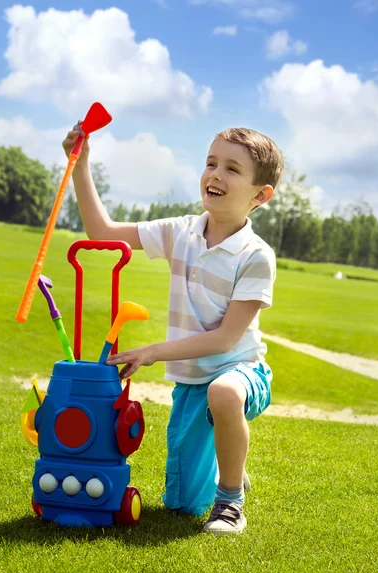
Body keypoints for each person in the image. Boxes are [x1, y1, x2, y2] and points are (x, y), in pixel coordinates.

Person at [62, 124, 284, 535]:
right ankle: (225, 461)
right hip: (192, 381)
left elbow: (225, 340)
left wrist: (151, 351)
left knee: (224, 393)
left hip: (242, 373)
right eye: (211, 163)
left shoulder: (256, 256)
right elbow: (102, 233)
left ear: (260, 195)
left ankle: (231, 501)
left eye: (232, 169)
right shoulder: (181, 231)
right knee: (182, 504)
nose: (215, 174)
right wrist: (81, 164)